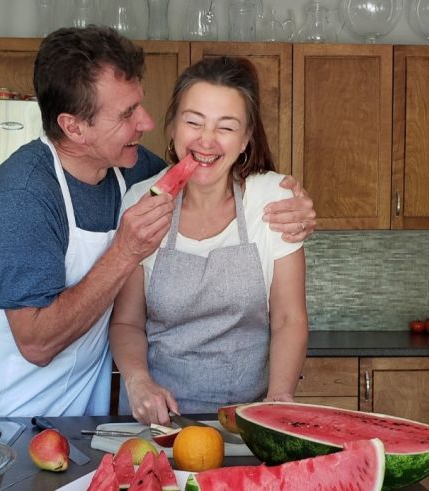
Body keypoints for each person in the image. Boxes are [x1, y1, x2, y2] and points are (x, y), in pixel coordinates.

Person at [0, 27, 315, 418]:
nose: (146, 122)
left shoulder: (130, 170)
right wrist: (126, 250)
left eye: (141, 105)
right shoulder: (22, 197)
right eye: (128, 113)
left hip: (77, 412)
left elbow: (202, 166)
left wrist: (300, 207)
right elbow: (36, 344)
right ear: (75, 127)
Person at [109, 56, 309, 425]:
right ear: (172, 128)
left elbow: (288, 317)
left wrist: (280, 397)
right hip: (157, 423)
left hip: (249, 420)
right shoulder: (142, 201)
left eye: (226, 127)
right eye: (193, 122)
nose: (206, 140)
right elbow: (127, 323)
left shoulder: (273, 199)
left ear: (247, 138)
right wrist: (138, 383)